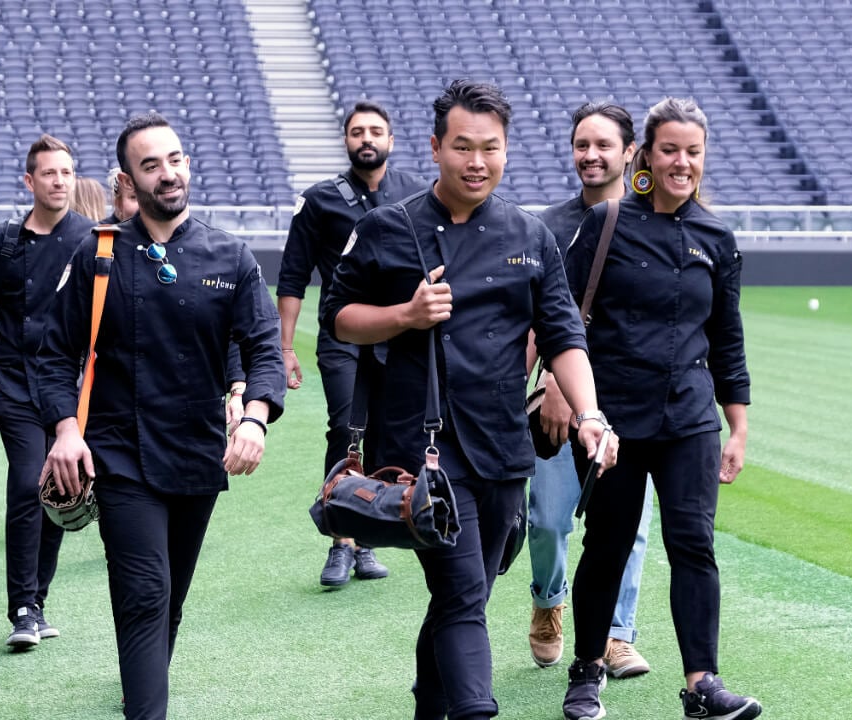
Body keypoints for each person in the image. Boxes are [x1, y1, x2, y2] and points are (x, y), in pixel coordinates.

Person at [322, 80, 617, 720]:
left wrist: (589, 413)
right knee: (459, 593)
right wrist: (405, 313)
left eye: (490, 148)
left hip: (502, 448)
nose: (476, 161)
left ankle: (431, 707)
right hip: (420, 450)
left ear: (506, 151)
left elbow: (564, 334)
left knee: (469, 596)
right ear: (435, 148)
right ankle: (477, 711)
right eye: (462, 147)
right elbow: (339, 318)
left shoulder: (529, 234)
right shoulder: (385, 228)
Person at [38, 112, 285, 720]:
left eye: (174, 160)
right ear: (130, 178)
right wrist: (66, 431)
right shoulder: (98, 254)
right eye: (151, 165)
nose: (167, 173)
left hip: (198, 450)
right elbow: (51, 355)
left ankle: (141, 686)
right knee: (145, 593)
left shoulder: (230, 255)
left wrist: (254, 416)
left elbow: (264, 350)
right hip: (119, 451)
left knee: (168, 596)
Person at [560, 97, 761, 720]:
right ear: (645, 154)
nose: (681, 163)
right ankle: (587, 670)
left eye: (693, 152)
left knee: (694, 544)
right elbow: (561, 317)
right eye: (669, 150)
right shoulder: (607, 223)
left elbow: (727, 336)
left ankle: (702, 684)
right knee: (608, 543)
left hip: (691, 419)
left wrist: (738, 425)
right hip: (614, 418)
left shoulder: (717, 237)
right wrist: (569, 402)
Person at [277, 99, 430, 587]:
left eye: (375, 131)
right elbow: (292, 277)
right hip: (344, 335)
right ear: (346, 140)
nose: (367, 139)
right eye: (357, 132)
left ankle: (370, 535)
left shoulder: (417, 193)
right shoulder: (319, 199)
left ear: (391, 140)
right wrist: (284, 349)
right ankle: (340, 540)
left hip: (401, 336)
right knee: (346, 428)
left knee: (388, 435)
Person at [526, 102, 653, 677]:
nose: (591, 155)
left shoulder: (655, 222)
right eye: (582, 144)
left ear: (630, 152)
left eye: (604, 145)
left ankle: (615, 635)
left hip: (632, 405)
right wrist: (551, 381)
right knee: (549, 521)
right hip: (561, 402)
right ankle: (548, 601)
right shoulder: (547, 226)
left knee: (628, 527)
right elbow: (535, 317)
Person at [0, 134, 95, 651]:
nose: (60, 181)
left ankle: (37, 602)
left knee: (59, 486)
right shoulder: (3, 241)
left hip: (70, 391)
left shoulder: (92, 238)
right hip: (11, 385)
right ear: (29, 181)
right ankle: (21, 607)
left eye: (67, 172)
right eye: (49, 173)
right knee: (26, 483)